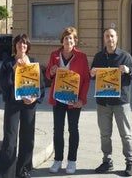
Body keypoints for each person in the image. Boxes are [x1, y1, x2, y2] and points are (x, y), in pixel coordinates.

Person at [90, 27, 132, 176]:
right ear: (104, 39)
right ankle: (107, 161)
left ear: (116, 38)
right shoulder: (98, 56)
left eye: (112, 36)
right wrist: (92, 73)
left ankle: (130, 162)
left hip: (121, 102)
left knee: (125, 134)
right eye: (107, 36)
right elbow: (92, 75)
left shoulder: (125, 56)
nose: (109, 39)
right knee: (105, 134)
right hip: (103, 102)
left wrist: (128, 70)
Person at [0, 34, 45, 178]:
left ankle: (23, 169)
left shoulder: (34, 63)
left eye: (24, 44)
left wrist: (35, 98)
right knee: (10, 138)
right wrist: (13, 70)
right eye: (19, 43)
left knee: (27, 137)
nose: (21, 46)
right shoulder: (8, 62)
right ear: (15, 46)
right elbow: (3, 85)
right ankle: (5, 173)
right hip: (13, 104)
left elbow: (40, 86)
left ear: (27, 46)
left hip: (29, 105)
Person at [45, 27, 90, 174]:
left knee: (73, 129)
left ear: (75, 41)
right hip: (58, 98)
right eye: (66, 38)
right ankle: (58, 160)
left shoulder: (82, 57)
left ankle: (72, 161)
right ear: (62, 40)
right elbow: (48, 75)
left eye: (71, 38)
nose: (68, 41)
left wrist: (82, 99)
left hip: (73, 100)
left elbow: (86, 80)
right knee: (57, 130)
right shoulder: (54, 55)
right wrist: (51, 72)